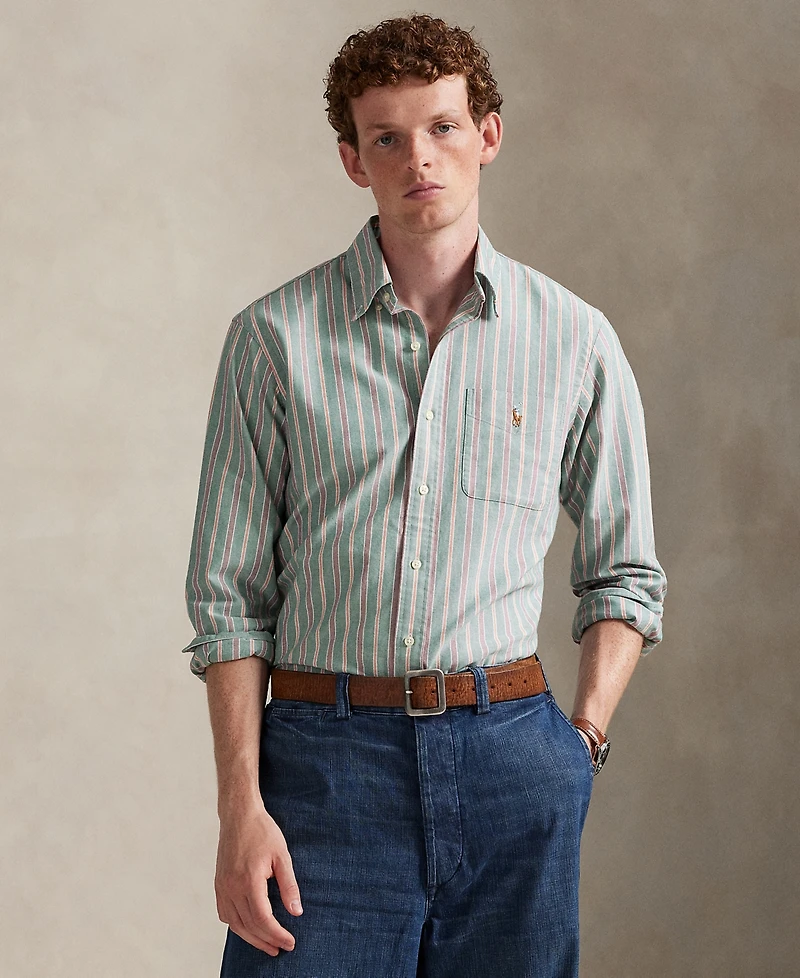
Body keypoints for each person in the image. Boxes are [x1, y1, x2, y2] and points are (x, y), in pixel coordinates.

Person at [182, 13, 667, 977]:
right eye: (387, 138)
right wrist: (241, 806)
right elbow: (230, 601)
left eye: (443, 127)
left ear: (488, 134)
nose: (420, 159)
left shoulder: (574, 340)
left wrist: (579, 746)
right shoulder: (274, 340)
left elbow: (626, 574)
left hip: (513, 763)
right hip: (324, 770)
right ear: (353, 160)